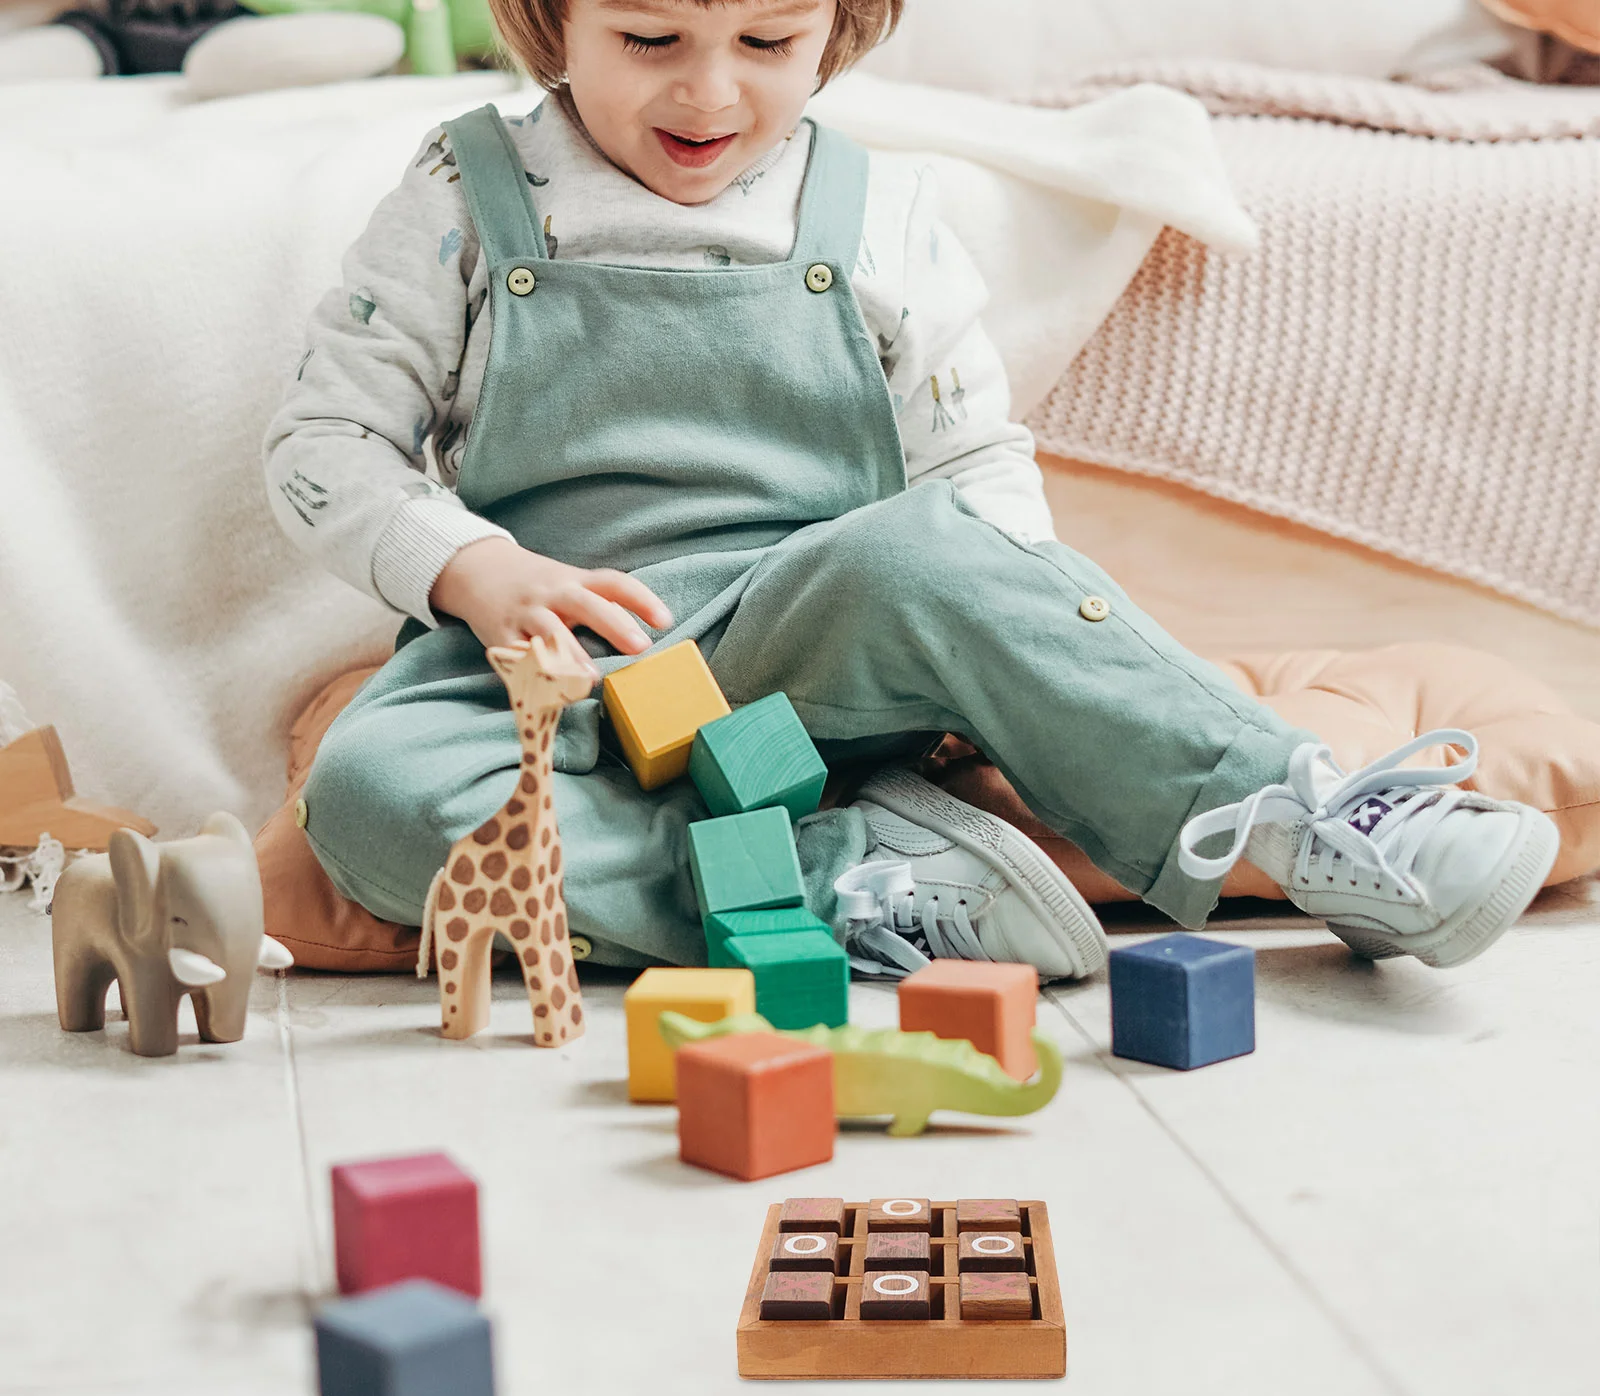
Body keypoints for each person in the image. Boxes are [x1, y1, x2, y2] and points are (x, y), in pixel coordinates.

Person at [261, 0, 1557, 982]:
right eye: (651, 36)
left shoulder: (875, 211)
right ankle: (843, 880)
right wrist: (475, 572)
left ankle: (1303, 813)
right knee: (372, 796)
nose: (711, 91)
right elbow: (325, 445)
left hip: (800, 643)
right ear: (552, 17)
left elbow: (970, 470)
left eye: (770, 39)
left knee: (925, 551)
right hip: (548, 665)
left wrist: (1012, 658)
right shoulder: (464, 193)